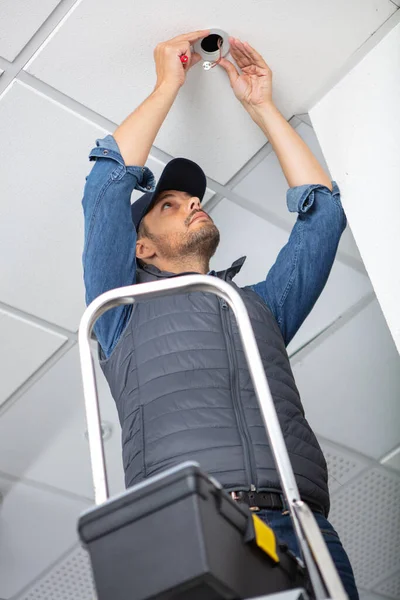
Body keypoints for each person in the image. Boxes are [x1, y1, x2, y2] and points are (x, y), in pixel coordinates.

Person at [81, 29, 358, 599]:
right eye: (169, 205)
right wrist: (167, 85)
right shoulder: (120, 309)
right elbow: (104, 189)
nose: (192, 203)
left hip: (303, 526)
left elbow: (323, 217)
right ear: (142, 247)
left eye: (193, 199)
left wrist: (262, 107)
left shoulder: (257, 307)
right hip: (196, 522)